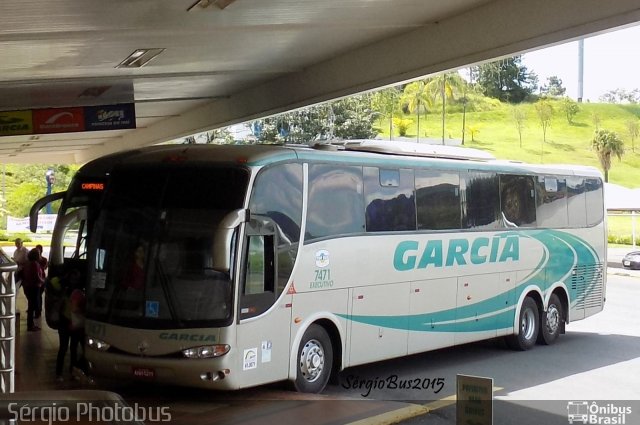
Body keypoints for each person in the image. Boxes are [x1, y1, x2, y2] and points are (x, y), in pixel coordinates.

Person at [55, 269, 90, 382]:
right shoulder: (79, 293)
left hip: (63, 323)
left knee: (63, 349)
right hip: (73, 325)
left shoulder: (64, 290)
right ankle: (72, 372)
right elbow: (74, 308)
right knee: (73, 349)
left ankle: (59, 374)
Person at [22, 248, 45, 331]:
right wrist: (44, 281)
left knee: (31, 306)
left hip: (28, 286)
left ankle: (31, 324)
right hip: (34, 287)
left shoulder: (28, 263)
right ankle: (30, 325)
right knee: (32, 307)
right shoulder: (34, 264)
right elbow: (37, 277)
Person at [12, 238, 29, 312]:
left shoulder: (26, 251)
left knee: (27, 292)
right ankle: (14, 307)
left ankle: (32, 308)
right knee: (15, 290)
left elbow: (28, 263)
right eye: (16, 243)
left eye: (19, 243)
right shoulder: (15, 251)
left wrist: (19, 263)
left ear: (22, 243)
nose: (17, 245)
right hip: (17, 273)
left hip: (23, 273)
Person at [34, 245, 48, 319]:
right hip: (38, 280)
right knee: (37, 296)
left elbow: (44, 267)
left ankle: (38, 311)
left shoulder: (43, 260)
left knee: (38, 296)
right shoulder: (34, 260)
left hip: (41, 280)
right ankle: (36, 310)